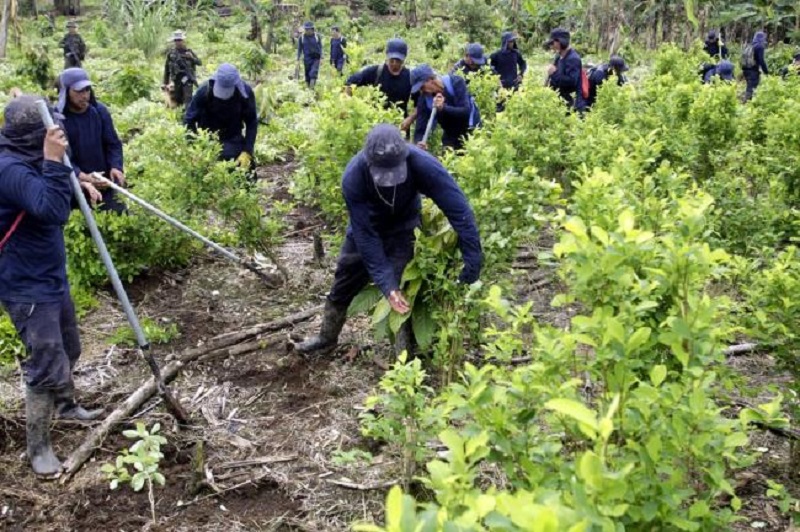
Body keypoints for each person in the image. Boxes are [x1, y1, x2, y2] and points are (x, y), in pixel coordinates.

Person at [295, 124, 482, 357]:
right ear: (369, 162)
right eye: (384, 173)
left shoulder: (423, 164)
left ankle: (404, 355)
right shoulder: (353, 176)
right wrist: (386, 284)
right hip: (367, 228)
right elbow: (366, 236)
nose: (391, 180)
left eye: (395, 172)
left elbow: (458, 208)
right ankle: (326, 338)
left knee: (402, 284)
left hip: (404, 227)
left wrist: (473, 254)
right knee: (345, 280)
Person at [0, 95, 104, 478]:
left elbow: (55, 185)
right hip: (26, 284)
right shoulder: (8, 168)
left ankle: (66, 406)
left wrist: (77, 179)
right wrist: (52, 159)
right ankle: (38, 447)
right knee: (45, 361)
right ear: (31, 136)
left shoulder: (27, 156)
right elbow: (51, 208)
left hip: (50, 274)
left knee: (69, 346)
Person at [57, 68, 127, 214]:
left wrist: (116, 166)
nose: (85, 96)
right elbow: (60, 158)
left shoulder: (99, 111)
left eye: (87, 90)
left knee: (119, 217)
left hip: (104, 182)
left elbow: (113, 143)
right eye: (79, 91)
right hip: (74, 186)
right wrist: (83, 177)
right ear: (66, 92)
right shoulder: (58, 120)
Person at [184, 63, 258, 171]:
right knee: (199, 174)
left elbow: (252, 122)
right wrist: (194, 148)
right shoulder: (204, 91)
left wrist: (247, 151)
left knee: (247, 173)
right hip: (207, 140)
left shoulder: (245, 93)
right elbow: (188, 120)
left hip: (233, 139)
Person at [346, 38, 414, 131]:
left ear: (403, 59)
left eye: (398, 61)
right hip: (378, 125)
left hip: (400, 127)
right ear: (387, 56)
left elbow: (420, 103)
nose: (394, 64)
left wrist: (410, 119)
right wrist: (349, 105)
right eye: (392, 60)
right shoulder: (376, 72)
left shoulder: (409, 76)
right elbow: (350, 83)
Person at [410, 64, 481, 152]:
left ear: (430, 80)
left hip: (471, 130)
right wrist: (419, 142)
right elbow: (420, 128)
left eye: (422, 86)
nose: (422, 91)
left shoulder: (456, 82)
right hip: (450, 133)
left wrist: (444, 108)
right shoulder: (424, 99)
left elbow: (465, 112)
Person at [545, 28, 587, 112]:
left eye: (552, 43)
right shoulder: (558, 56)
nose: (551, 46)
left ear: (559, 42)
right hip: (561, 100)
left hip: (572, 103)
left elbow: (571, 82)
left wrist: (554, 73)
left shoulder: (573, 59)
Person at [162, 30, 202, 108]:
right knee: (177, 102)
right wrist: (165, 82)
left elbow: (199, 63)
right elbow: (167, 69)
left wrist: (192, 58)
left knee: (188, 101)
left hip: (187, 80)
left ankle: (188, 117)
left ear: (183, 41)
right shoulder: (171, 54)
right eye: (176, 40)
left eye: (179, 40)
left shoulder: (189, 52)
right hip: (176, 81)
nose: (178, 42)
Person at [742, 31, 769, 101]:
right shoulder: (760, 46)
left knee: (750, 87)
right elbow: (761, 61)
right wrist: (766, 71)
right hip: (753, 70)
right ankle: (745, 104)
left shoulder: (750, 45)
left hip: (745, 69)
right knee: (751, 89)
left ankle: (748, 104)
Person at [297, 21, 323, 88]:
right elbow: (299, 49)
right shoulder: (301, 38)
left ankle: (312, 88)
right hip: (307, 58)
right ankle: (309, 89)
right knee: (308, 75)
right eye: (306, 29)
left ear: (312, 29)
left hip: (316, 58)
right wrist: (298, 59)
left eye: (308, 29)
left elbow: (320, 47)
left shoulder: (317, 36)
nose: (307, 31)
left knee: (313, 72)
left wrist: (321, 57)